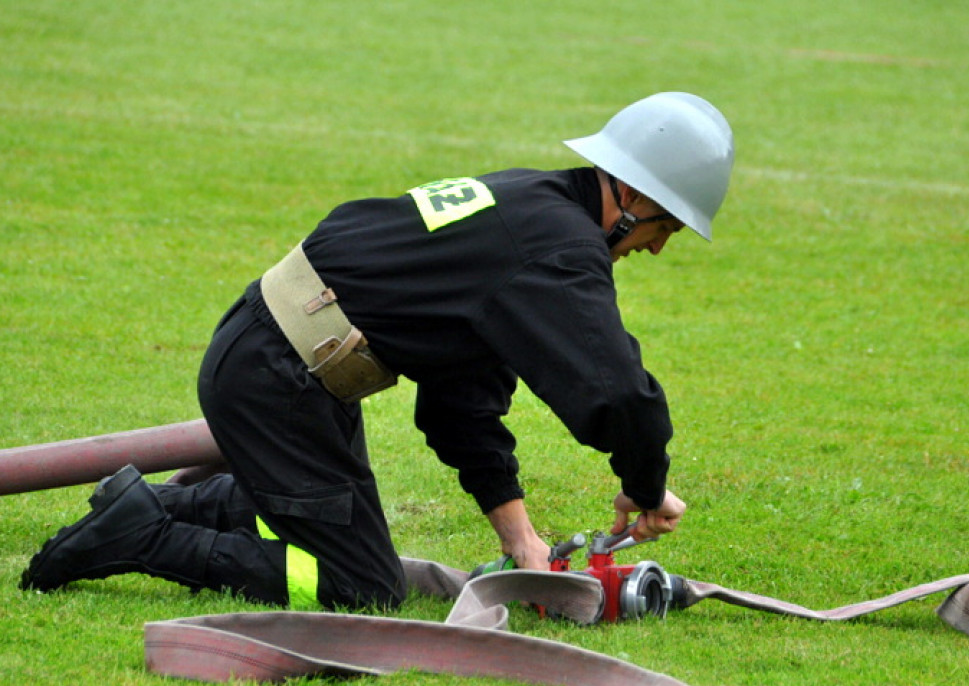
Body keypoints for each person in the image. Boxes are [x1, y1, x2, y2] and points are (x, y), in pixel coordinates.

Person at [21, 92, 734, 612]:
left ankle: (143, 503)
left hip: (284, 369)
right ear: (631, 197)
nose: (659, 247)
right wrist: (645, 484)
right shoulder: (557, 251)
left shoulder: (526, 214)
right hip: (280, 383)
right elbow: (616, 392)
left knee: (332, 532)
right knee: (358, 585)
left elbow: (461, 406)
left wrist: (522, 543)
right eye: (664, 226)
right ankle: (140, 533)